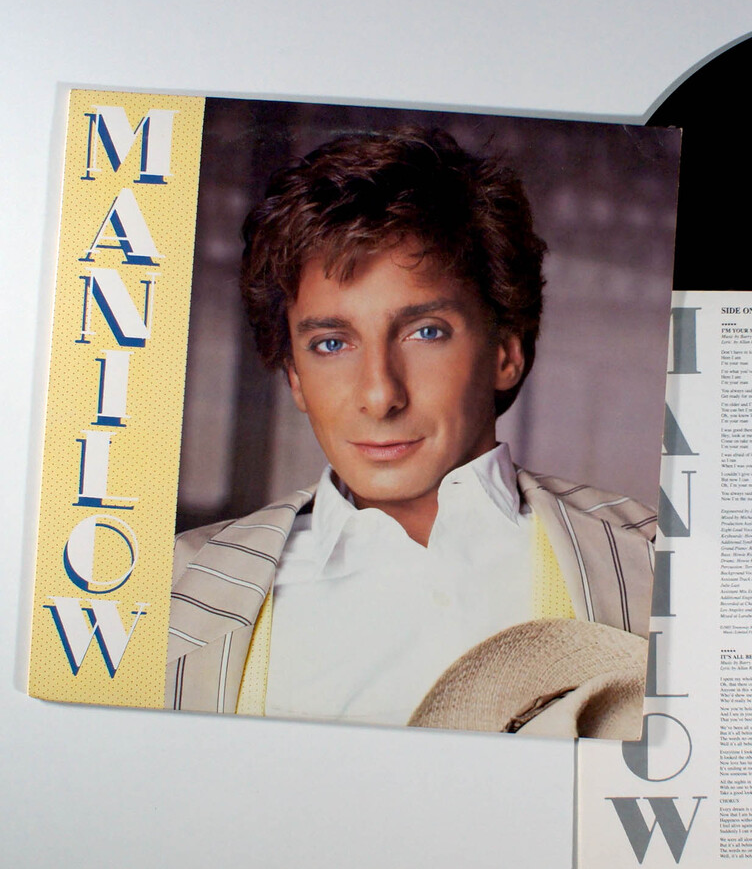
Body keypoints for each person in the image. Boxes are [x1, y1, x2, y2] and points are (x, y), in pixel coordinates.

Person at [164, 127, 656, 737]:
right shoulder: (172, 586)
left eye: (425, 332)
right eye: (331, 343)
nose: (380, 395)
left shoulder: (655, 560)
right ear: (294, 376)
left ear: (506, 352)